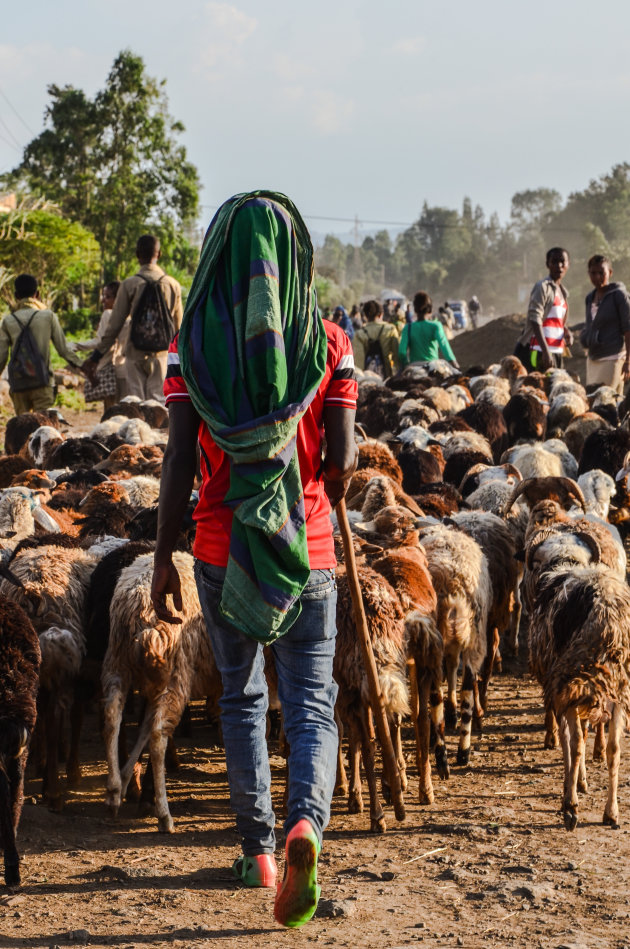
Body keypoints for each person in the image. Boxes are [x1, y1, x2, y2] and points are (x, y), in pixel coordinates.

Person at [150, 192, 357, 929]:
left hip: (217, 543)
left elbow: (177, 458)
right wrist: (322, 477)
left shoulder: (191, 347)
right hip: (312, 548)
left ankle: (260, 851)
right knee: (309, 703)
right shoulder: (329, 342)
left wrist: (160, 556)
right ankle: (308, 824)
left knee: (238, 697)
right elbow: (344, 458)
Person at [83, 235, 183, 401]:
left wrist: (95, 357)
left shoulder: (129, 284)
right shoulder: (172, 285)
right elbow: (180, 328)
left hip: (135, 353)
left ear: (137, 255)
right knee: (158, 403)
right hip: (161, 355)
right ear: (159, 254)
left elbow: (114, 326)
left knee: (136, 404)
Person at [0, 273, 83, 414]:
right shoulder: (48, 316)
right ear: (37, 294)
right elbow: (63, 350)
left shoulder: (8, 321)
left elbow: (1, 357)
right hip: (42, 382)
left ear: (16, 296)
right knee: (43, 427)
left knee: (23, 427)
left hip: (19, 384)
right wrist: (83, 366)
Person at [515, 247, 573, 372]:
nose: (559, 265)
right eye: (554, 262)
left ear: (568, 264)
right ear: (548, 264)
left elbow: (555, 320)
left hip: (556, 351)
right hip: (539, 351)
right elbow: (535, 318)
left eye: (563, 262)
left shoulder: (563, 292)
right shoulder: (542, 287)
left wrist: (566, 331)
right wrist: (545, 350)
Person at [580, 254, 630, 394]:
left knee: (604, 399)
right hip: (593, 359)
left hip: (613, 358)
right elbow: (591, 324)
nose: (597, 277)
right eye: (593, 273)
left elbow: (628, 328)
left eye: (601, 273)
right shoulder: (590, 297)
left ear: (610, 273)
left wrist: (628, 362)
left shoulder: (619, 295)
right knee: (595, 400)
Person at [75, 281, 123, 409]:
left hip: (110, 370)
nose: (103, 300)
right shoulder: (127, 316)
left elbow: (99, 341)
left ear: (117, 299)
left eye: (107, 297)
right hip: (126, 370)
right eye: (103, 296)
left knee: (111, 413)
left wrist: (75, 346)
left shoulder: (108, 314)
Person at [399, 292, 459, 367]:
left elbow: (401, 351)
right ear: (430, 309)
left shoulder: (408, 327)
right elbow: (444, 346)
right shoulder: (436, 326)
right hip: (433, 366)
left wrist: (406, 364)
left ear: (415, 309)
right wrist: (455, 364)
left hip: (414, 366)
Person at [352, 299, 399, 377]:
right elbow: (396, 356)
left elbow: (358, 361)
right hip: (386, 375)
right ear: (381, 314)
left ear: (365, 316)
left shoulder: (359, 334)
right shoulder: (390, 329)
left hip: (367, 377)